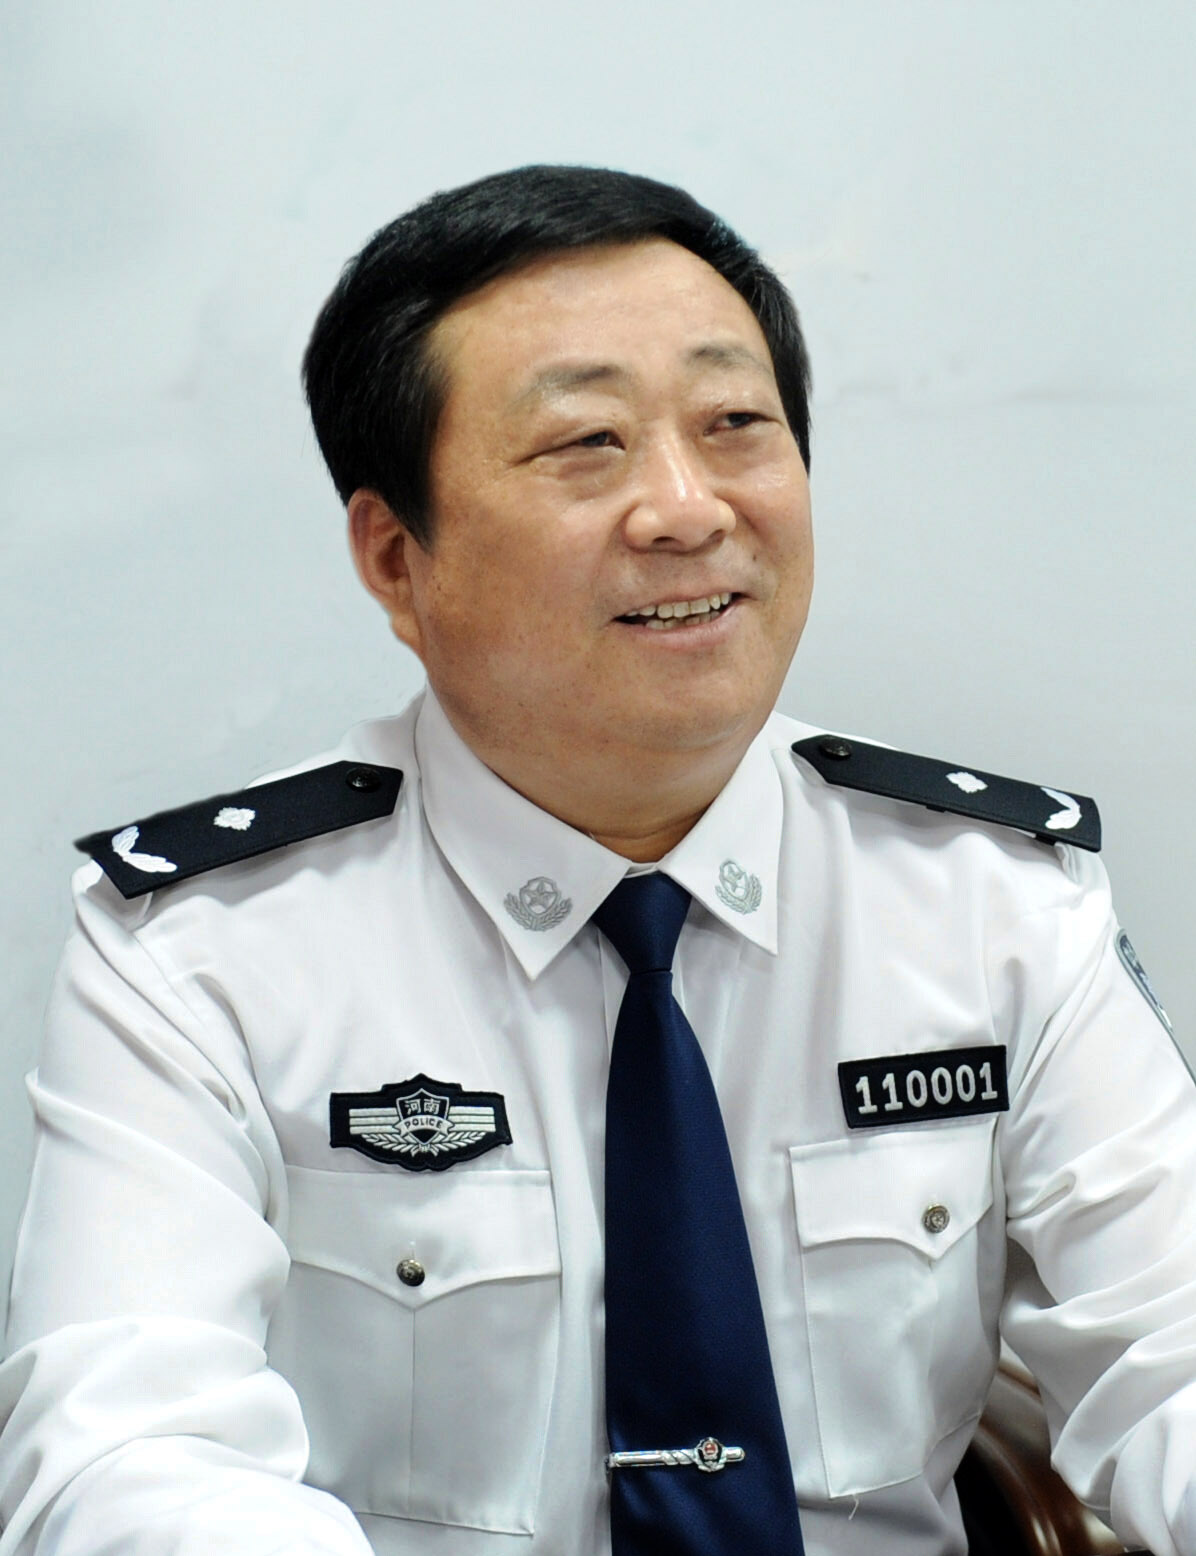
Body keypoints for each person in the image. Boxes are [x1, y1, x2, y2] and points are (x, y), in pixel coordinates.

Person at [0, 164, 1192, 1556]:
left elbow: (1171, 1350)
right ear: (395, 558)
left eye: (735, 425)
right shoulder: (206, 950)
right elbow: (127, 1460)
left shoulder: (992, 901)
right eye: (587, 445)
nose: (686, 509)